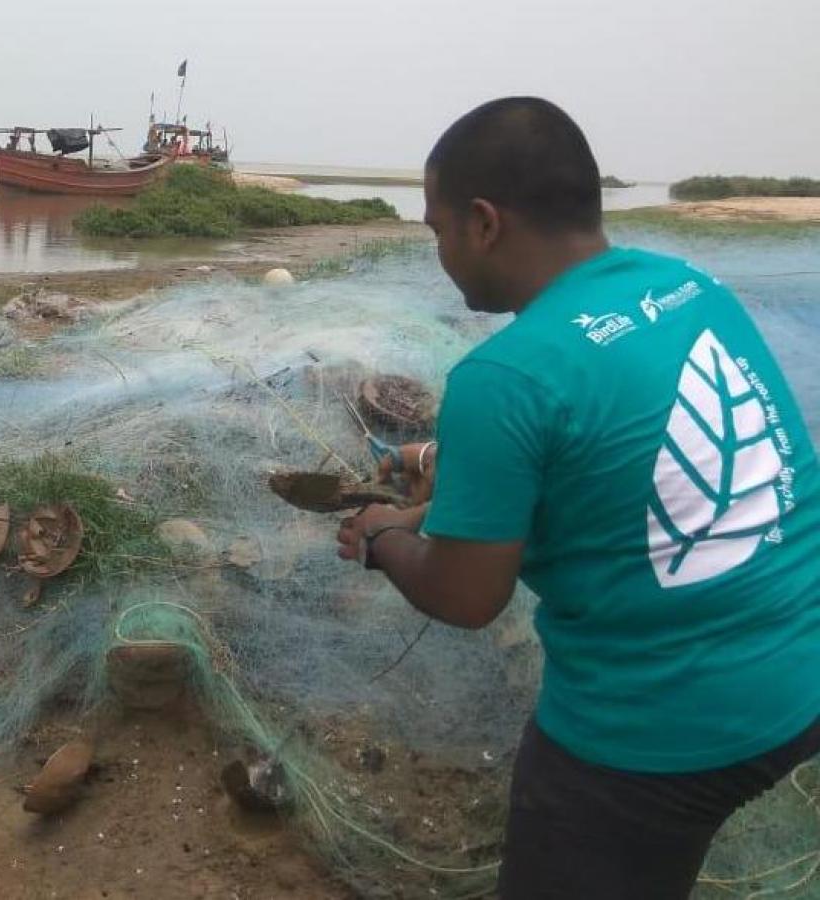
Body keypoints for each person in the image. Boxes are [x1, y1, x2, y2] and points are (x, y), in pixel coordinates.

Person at [337, 97, 820, 900]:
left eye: (437, 230)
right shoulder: (688, 286)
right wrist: (450, 491)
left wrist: (385, 537)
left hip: (658, 731)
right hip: (802, 667)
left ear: (484, 223)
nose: (441, 253)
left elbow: (466, 597)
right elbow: (631, 446)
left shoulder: (502, 376)